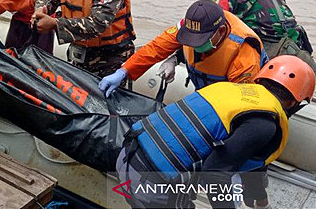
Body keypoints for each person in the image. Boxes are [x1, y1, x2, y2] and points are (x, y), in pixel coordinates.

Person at [114, 55, 315, 209]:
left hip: (127, 157)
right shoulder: (264, 124)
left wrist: (260, 199)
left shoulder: (231, 91)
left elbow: (246, 155)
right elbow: (214, 175)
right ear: (294, 102)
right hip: (153, 183)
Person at [99, 0, 267, 97]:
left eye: (200, 40)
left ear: (220, 31)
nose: (194, 45)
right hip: (203, 90)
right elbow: (155, 48)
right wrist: (124, 72)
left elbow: (241, 103)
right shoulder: (191, 25)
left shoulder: (244, 53)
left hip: (230, 97)